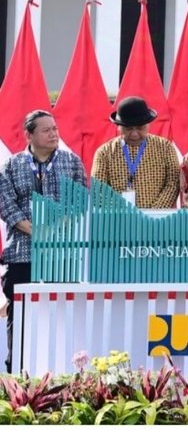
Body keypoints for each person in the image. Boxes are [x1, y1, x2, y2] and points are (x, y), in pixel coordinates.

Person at [0, 110, 87, 373]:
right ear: (29, 135)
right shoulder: (11, 165)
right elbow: (6, 205)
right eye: (46, 130)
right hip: (22, 253)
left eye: (55, 129)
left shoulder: (71, 162)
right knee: (21, 316)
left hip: (62, 254)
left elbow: (80, 201)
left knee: (62, 316)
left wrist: (57, 229)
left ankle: (63, 373)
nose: (53, 134)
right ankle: (17, 375)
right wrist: (36, 231)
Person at [91, 96, 182, 209]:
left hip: (157, 220)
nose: (134, 134)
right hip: (117, 219)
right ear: (118, 127)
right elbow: (99, 191)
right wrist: (124, 213)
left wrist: (152, 213)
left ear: (149, 125)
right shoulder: (104, 153)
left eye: (140, 128)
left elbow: (173, 183)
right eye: (128, 129)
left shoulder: (165, 148)